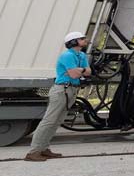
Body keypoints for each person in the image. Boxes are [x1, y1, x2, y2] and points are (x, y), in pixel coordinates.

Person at [26, 31, 91, 162]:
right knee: (49, 121)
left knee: (57, 121)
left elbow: (88, 72)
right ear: (73, 42)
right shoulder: (67, 56)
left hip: (71, 90)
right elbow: (73, 75)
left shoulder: (82, 55)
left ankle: (44, 148)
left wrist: (81, 71)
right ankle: (33, 152)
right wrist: (81, 71)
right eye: (82, 38)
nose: (85, 40)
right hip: (62, 90)